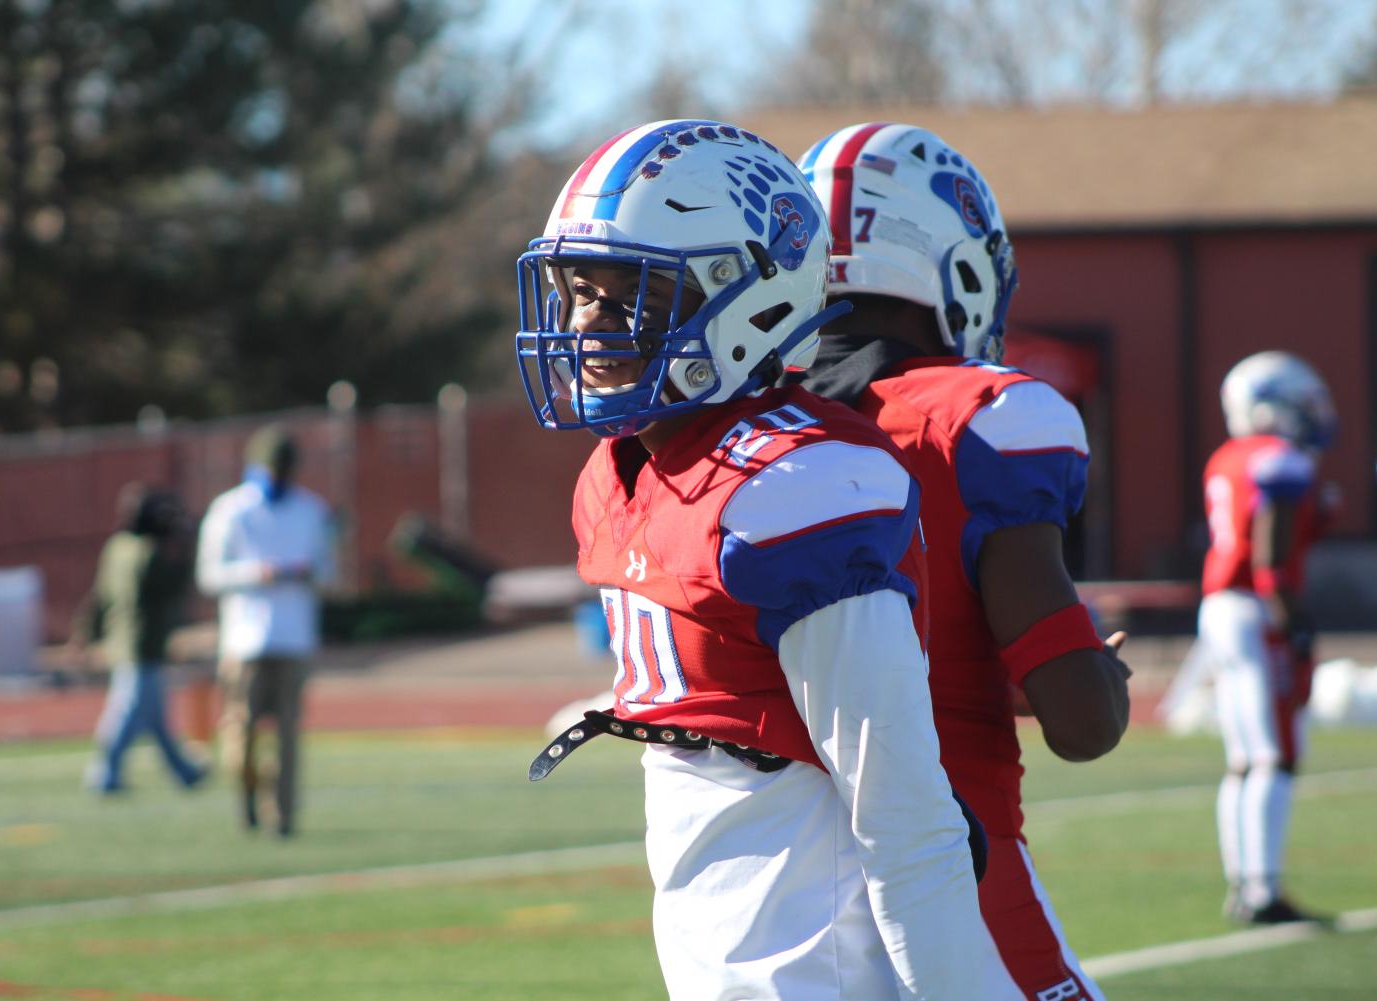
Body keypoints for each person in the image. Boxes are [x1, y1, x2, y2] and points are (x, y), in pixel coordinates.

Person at [517, 119, 1015, 1000]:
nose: (585, 326)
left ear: (744, 295)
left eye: (625, 293)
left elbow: (906, 821)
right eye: (576, 292)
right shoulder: (620, 473)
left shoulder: (803, 484)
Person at [796, 122, 1132, 999]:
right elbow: (1082, 723)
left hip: (776, 902)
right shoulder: (977, 418)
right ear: (948, 259)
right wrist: (1095, 674)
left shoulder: (739, 433)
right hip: (950, 867)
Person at [1200, 350, 1338, 924]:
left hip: (1220, 607)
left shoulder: (1227, 457)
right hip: (1257, 609)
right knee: (1275, 755)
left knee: (1245, 757)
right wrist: (1292, 617)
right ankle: (1262, 890)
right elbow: (1272, 557)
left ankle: (1246, 885)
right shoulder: (1282, 461)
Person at [197, 425, 333, 838]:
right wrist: (258, 573)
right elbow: (209, 575)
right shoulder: (231, 510)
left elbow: (328, 573)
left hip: (293, 640)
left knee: (288, 736)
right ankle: (247, 802)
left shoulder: (311, 510)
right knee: (241, 733)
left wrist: (308, 574)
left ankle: (284, 815)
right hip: (245, 641)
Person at [81, 483, 207, 794]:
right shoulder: (147, 555)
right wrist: (188, 550)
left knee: (155, 718)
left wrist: (86, 632)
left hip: (122, 643)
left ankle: (184, 771)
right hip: (142, 646)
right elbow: (173, 589)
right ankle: (105, 774)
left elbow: (100, 596)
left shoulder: (117, 547)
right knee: (127, 714)